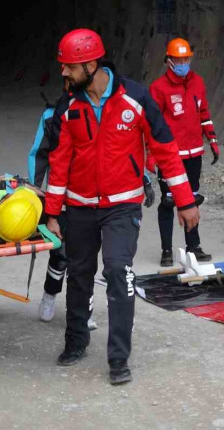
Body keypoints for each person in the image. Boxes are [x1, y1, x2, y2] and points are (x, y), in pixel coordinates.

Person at [45, 28, 200, 385]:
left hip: (122, 206)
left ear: (91, 63)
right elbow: (59, 162)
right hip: (79, 207)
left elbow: (166, 151)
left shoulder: (136, 97)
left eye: (69, 67)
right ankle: (76, 341)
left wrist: (185, 200)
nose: (63, 73)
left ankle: (118, 358)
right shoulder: (67, 106)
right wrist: (52, 212)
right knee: (79, 274)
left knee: (118, 271)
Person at [28, 81, 100, 330]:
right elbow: (39, 154)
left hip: (92, 199)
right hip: (62, 199)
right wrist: (36, 193)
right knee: (60, 255)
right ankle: (50, 294)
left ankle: (82, 309)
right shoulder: (52, 115)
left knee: (86, 259)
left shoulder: (100, 111)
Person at [149, 37, 217, 266]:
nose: (183, 62)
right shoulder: (158, 88)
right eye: (178, 59)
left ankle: (193, 247)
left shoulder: (197, 82)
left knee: (192, 199)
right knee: (168, 201)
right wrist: (151, 153)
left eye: (186, 58)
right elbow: (151, 124)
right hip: (170, 156)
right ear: (169, 60)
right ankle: (166, 250)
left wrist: (212, 139)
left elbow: (204, 113)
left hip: (194, 152)